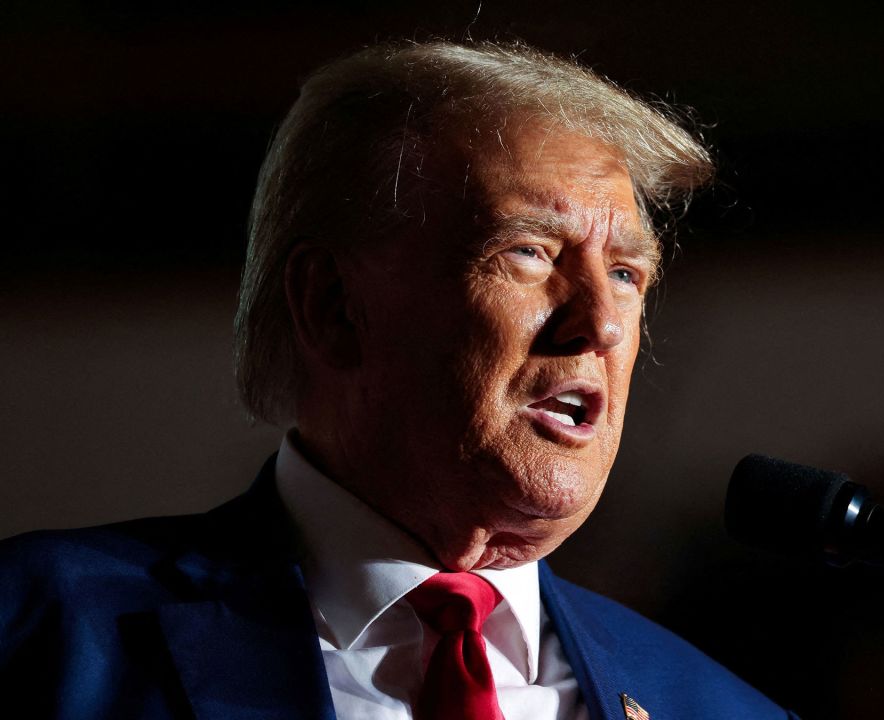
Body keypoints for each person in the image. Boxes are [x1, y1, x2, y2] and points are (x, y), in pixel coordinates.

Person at [0, 40, 797, 720]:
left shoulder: (717, 706)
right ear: (334, 306)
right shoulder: (39, 634)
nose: (604, 323)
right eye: (530, 252)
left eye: (626, 272)